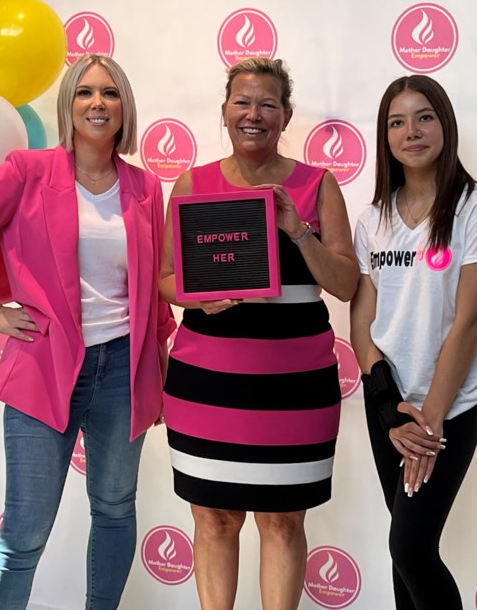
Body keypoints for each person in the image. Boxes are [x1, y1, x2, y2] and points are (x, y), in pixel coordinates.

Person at [0, 53, 176, 610]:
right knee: (24, 533)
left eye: (110, 93)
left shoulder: (143, 188)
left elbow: (155, 293)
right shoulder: (27, 171)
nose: (97, 103)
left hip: (122, 371)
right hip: (43, 370)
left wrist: (157, 372)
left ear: (123, 107)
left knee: (114, 511)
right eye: (85, 92)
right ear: (68, 105)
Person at [158, 58, 359, 610]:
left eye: (268, 104)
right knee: (215, 521)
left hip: (295, 391)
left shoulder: (318, 185)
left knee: (282, 521)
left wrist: (298, 231)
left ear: (286, 115)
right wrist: (196, 294)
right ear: (224, 112)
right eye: (243, 102)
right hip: (205, 388)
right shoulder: (192, 183)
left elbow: (345, 283)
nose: (254, 114)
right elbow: (166, 279)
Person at [350, 75, 477, 610]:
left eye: (424, 117)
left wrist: (429, 420)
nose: (411, 131)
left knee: (411, 545)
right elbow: (363, 319)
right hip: (390, 406)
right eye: (396, 122)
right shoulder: (374, 217)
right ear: (384, 136)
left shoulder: (476, 207)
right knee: (404, 551)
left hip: (450, 404)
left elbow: (467, 323)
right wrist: (387, 404)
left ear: (445, 124)